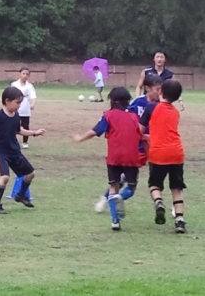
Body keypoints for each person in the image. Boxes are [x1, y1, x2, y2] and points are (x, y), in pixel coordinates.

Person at [73, 87, 143, 231]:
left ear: (112, 101)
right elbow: (142, 135)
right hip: (131, 156)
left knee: (113, 186)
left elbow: (95, 131)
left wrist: (80, 138)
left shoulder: (108, 115)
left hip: (114, 157)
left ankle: (115, 220)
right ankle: (121, 198)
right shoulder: (135, 117)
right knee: (131, 187)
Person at [94, 75, 163, 212]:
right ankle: (108, 197)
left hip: (153, 145)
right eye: (158, 89)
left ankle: (170, 205)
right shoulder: (137, 103)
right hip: (136, 146)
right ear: (147, 89)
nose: (160, 93)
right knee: (125, 177)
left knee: (159, 174)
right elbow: (123, 117)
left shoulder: (162, 105)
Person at [0, 87, 46, 214]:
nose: (19, 106)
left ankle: (20, 195)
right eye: (17, 103)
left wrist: (34, 133)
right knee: (4, 177)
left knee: (31, 174)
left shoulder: (16, 115)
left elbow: (19, 130)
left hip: (15, 151)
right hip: (1, 152)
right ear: (7, 101)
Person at [139, 79, 186, 234]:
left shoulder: (151, 107)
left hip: (158, 152)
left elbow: (139, 130)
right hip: (177, 152)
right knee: (176, 187)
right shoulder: (176, 112)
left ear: (160, 92)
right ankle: (179, 220)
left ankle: (158, 202)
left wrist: (145, 137)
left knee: (155, 184)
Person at [11, 67, 37, 149]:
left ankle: (25, 142)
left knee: (25, 125)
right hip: (15, 109)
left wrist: (32, 103)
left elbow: (33, 96)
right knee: (13, 125)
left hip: (25, 109)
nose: (25, 76)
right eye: (23, 73)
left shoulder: (29, 86)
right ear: (20, 74)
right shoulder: (14, 84)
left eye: (27, 74)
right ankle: (12, 141)